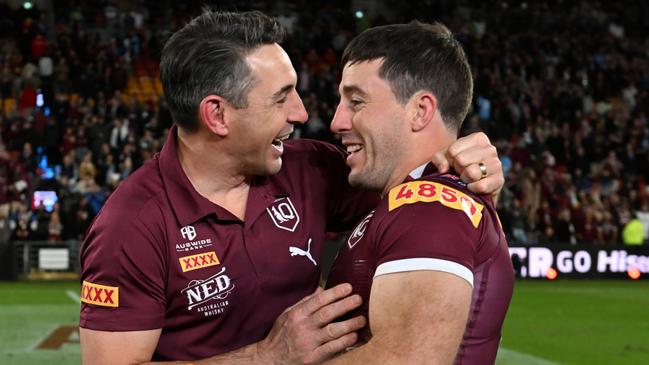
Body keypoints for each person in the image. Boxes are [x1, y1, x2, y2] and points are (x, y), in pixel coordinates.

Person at [79, 10, 504, 364]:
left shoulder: (310, 170)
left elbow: (415, 187)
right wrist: (266, 358)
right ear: (218, 116)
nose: (302, 113)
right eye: (282, 97)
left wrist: (469, 166)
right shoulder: (131, 226)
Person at [326, 21, 514, 364]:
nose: (337, 121)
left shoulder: (428, 204)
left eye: (356, 101)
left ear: (420, 111)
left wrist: (279, 356)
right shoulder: (415, 201)